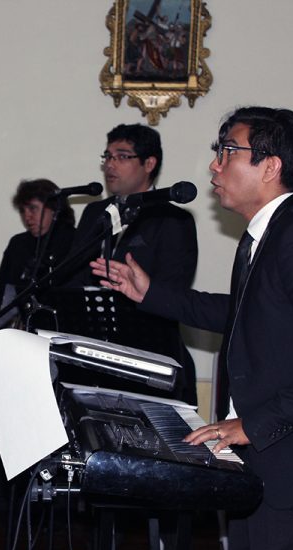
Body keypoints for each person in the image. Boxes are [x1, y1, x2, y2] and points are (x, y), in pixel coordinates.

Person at [92, 106, 293, 550]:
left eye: (228, 152)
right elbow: (245, 312)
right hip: (274, 465)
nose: (214, 166)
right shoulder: (269, 234)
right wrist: (151, 293)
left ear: (271, 166)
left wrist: (250, 425)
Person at [63, 123, 197, 404]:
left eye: (122, 156)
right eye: (108, 156)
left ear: (149, 163)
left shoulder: (173, 219)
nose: (110, 165)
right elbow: (72, 276)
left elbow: (172, 290)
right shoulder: (94, 212)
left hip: (148, 355)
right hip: (91, 355)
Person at [0, 178, 75, 324]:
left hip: (63, 328)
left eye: (33, 208)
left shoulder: (73, 240)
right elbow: (1, 291)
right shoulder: (17, 244)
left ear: (54, 209)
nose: (27, 216)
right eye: (23, 211)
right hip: (23, 330)